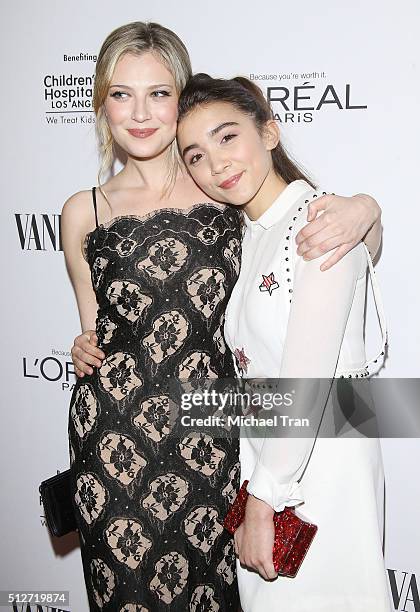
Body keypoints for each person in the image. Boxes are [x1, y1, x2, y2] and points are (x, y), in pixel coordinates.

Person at [63, 21, 383, 612]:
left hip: (217, 440)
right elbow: (94, 331)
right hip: (115, 442)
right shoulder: (83, 210)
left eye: (158, 93)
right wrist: (83, 347)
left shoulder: (222, 187)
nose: (139, 113)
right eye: (120, 93)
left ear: (179, 99)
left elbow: (324, 244)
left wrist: (366, 210)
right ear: (101, 103)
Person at [175, 73, 390, 611]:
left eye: (228, 137)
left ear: (269, 132)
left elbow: (308, 381)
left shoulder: (319, 221)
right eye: (195, 155)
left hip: (321, 464)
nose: (216, 164)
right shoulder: (248, 233)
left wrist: (261, 500)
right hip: (274, 459)